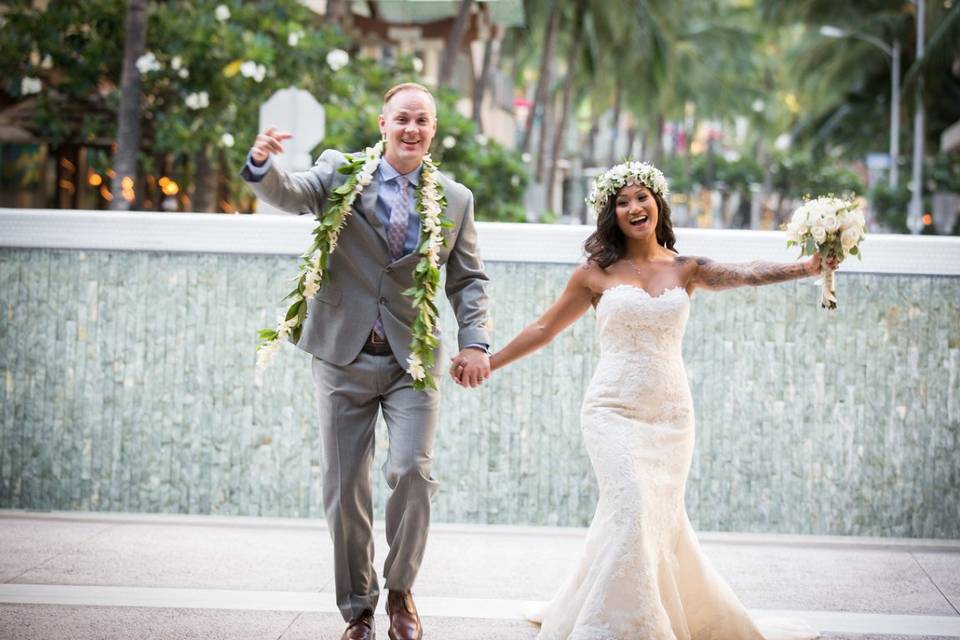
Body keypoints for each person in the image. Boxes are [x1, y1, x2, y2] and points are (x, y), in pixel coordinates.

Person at [466, 161, 833, 639]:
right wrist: (487, 362)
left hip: (672, 417)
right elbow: (543, 328)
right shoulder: (595, 275)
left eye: (642, 197)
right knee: (633, 509)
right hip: (611, 411)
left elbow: (747, 273)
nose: (634, 208)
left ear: (658, 204)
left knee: (652, 521)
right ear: (611, 214)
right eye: (622, 202)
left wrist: (805, 267)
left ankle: (613, 609)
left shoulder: (687, 269)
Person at [242, 82, 492, 640]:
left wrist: (475, 341)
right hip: (341, 355)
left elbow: (469, 281)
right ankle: (358, 609)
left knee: (412, 471)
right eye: (402, 118)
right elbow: (289, 192)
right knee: (344, 487)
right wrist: (261, 164)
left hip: (414, 363)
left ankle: (401, 592)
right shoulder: (339, 173)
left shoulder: (455, 198)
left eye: (422, 121)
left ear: (433, 130)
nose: (412, 129)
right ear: (383, 123)